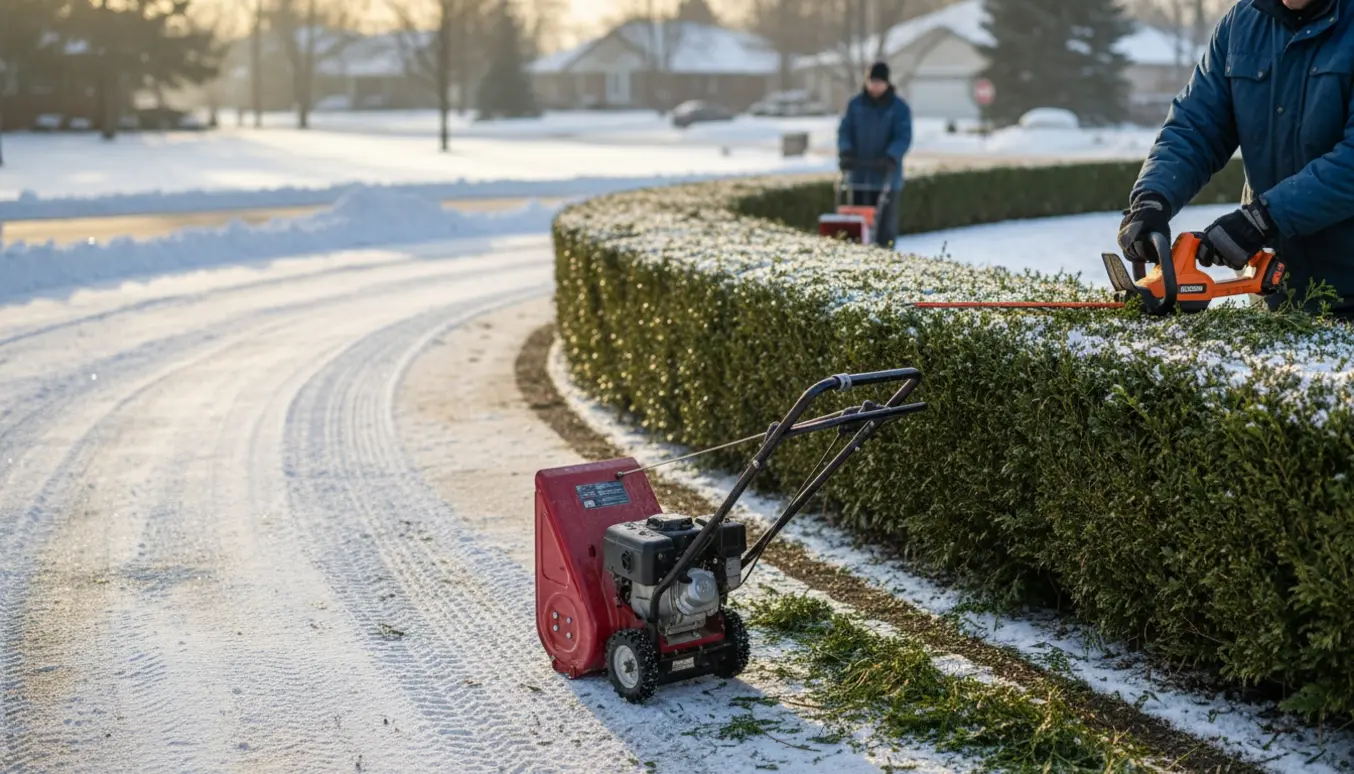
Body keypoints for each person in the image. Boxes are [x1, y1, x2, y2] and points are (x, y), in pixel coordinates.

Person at [1120, 0, 1354, 315]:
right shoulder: (1242, 24)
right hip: (1274, 288)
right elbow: (1195, 127)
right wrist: (1153, 198)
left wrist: (1262, 220)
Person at [838, 62, 913, 247]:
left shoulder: (898, 108)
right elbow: (845, 131)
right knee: (856, 225)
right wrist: (846, 151)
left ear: (887, 83)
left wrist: (891, 156)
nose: (875, 86)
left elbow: (903, 136)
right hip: (859, 174)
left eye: (879, 82)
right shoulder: (855, 105)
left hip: (886, 175)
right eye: (872, 81)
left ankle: (885, 256)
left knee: (884, 227)